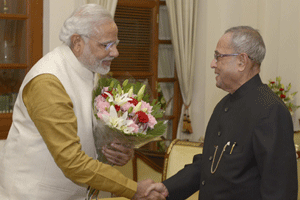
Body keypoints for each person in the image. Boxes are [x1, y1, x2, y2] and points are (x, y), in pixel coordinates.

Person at [0, 4, 167, 200]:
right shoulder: (48, 82)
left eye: (115, 43)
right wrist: (133, 189)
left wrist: (114, 150)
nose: (115, 52)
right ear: (77, 41)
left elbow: (85, 132)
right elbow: (72, 162)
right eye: (106, 45)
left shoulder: (90, 71)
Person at [146, 26, 298, 199]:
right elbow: (209, 164)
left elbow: (279, 189)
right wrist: (166, 189)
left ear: (242, 61)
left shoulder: (270, 110)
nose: (213, 64)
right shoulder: (223, 105)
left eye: (218, 56)